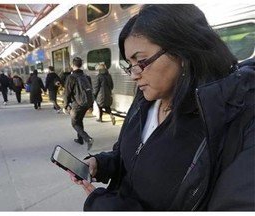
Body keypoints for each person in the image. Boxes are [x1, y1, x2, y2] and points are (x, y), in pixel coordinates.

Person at [68, 5, 255, 211]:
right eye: (129, 64)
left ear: (182, 53)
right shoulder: (145, 100)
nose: (134, 74)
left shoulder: (230, 120)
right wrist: (101, 164)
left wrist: (108, 207)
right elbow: (128, 154)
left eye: (140, 61)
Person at [63, 57, 94, 150]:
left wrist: (65, 105)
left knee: (74, 123)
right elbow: (90, 91)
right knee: (79, 120)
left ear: (72, 65)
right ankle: (80, 139)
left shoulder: (71, 77)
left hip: (78, 103)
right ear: (81, 65)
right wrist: (91, 105)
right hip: (86, 103)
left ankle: (87, 138)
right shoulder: (86, 76)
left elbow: (67, 93)